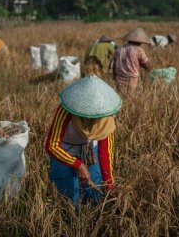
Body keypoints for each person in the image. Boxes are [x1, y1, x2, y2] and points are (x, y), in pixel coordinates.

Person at [44, 75, 122, 208]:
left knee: (95, 195)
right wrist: (78, 165)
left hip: (91, 152)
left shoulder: (107, 118)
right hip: (64, 151)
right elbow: (51, 146)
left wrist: (109, 185)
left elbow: (105, 153)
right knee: (68, 198)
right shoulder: (66, 110)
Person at [113, 27, 152, 93]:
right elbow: (147, 65)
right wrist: (149, 70)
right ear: (139, 41)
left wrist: (114, 76)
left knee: (120, 97)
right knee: (131, 98)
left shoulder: (119, 48)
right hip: (132, 79)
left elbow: (114, 64)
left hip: (119, 78)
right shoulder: (138, 49)